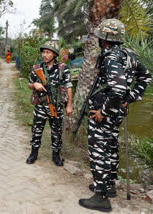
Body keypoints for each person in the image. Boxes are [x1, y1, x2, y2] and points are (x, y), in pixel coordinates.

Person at [79, 19, 152, 212]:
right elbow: (146, 77)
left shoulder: (111, 57)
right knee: (110, 147)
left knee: (98, 151)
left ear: (105, 38)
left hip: (103, 113)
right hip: (117, 112)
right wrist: (130, 98)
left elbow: (118, 88)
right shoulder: (128, 54)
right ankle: (108, 186)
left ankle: (101, 197)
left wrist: (103, 111)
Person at [26, 43, 73, 166]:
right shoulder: (37, 68)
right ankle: (33, 153)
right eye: (43, 52)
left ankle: (56, 155)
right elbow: (29, 84)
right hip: (40, 106)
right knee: (36, 130)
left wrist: (69, 105)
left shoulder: (63, 68)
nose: (45, 55)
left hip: (56, 107)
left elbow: (68, 87)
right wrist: (35, 85)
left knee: (56, 131)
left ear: (54, 55)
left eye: (48, 52)